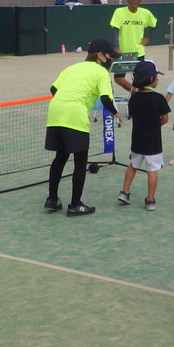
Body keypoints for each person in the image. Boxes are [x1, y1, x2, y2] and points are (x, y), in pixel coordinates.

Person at [45, 37, 120, 216]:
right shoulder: (101, 72)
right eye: (109, 55)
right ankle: (75, 205)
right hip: (75, 116)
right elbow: (105, 99)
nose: (110, 59)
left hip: (55, 112)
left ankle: (52, 199)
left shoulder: (71, 68)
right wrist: (116, 113)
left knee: (60, 157)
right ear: (100, 55)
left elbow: (53, 89)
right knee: (80, 162)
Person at [117, 60, 170, 211]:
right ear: (152, 79)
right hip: (153, 142)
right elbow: (165, 118)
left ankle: (124, 192)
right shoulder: (159, 98)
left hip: (137, 140)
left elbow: (132, 114)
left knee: (133, 165)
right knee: (152, 170)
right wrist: (155, 126)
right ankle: (150, 200)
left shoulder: (134, 98)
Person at [109, 0, 157, 93]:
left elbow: (154, 25)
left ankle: (137, 98)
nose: (133, 0)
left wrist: (148, 38)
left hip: (138, 53)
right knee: (119, 79)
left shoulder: (146, 13)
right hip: (123, 54)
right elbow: (115, 30)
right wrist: (116, 46)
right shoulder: (119, 12)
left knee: (140, 80)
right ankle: (135, 93)